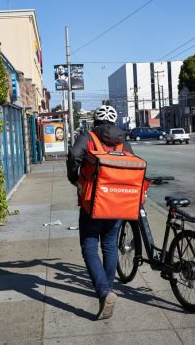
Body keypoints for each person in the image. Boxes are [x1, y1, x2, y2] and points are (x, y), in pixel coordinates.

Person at [66, 105, 133, 320]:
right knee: (110, 245)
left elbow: (74, 155)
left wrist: (74, 177)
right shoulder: (123, 142)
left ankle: (104, 292)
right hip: (117, 203)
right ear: (114, 123)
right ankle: (108, 287)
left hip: (92, 203)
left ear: (95, 121)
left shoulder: (89, 137)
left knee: (89, 247)